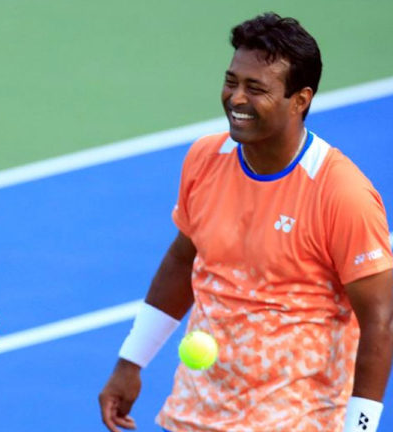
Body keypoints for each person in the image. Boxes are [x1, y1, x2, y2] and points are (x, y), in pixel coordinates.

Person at [98, 12, 393, 432]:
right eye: (231, 81)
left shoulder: (342, 193)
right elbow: (183, 261)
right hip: (197, 410)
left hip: (296, 418)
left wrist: (360, 429)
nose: (236, 98)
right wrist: (131, 361)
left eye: (256, 89)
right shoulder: (205, 159)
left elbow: (380, 320)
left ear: (301, 99)